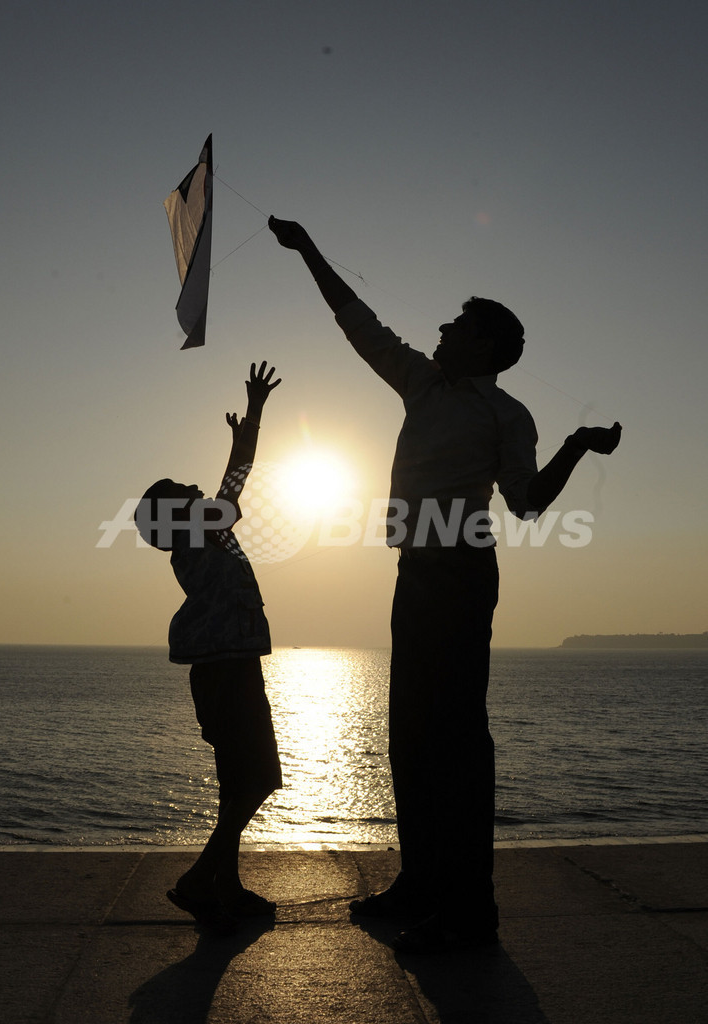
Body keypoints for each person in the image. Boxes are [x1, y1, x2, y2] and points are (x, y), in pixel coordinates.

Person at [269, 216, 622, 953]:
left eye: (456, 324)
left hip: (461, 578)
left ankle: (469, 911)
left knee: (456, 742)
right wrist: (308, 250)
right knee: (410, 737)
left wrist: (575, 445)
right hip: (418, 576)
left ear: (485, 345)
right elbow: (355, 321)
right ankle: (423, 883)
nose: (440, 328)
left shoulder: (504, 414)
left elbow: (524, 503)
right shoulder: (422, 385)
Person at [135, 362, 282, 933]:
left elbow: (232, 480)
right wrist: (255, 415)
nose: (199, 492)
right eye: (188, 493)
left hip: (222, 667)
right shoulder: (204, 531)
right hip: (229, 671)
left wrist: (246, 426)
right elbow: (238, 478)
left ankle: (225, 883)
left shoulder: (199, 537)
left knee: (236, 782)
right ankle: (202, 879)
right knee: (260, 776)